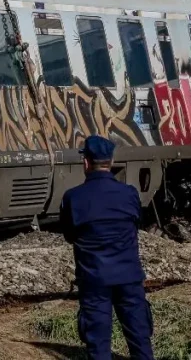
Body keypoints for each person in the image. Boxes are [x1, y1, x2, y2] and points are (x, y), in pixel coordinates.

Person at [60, 135, 154, 360]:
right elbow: (135, 224)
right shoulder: (129, 193)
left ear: (86, 163)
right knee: (140, 340)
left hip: (94, 279)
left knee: (98, 345)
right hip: (129, 277)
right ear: (110, 162)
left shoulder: (73, 198)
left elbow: (69, 235)